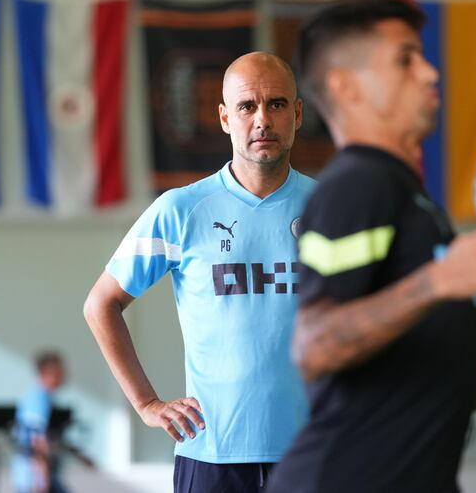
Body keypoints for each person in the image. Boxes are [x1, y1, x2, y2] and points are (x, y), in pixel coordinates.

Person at [267, 0, 476, 493]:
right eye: (406, 59)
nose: (430, 72)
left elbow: (440, 393)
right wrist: (436, 281)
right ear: (347, 89)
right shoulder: (357, 186)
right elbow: (313, 346)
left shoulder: (409, 197)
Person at [83, 52, 316, 493]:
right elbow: (101, 304)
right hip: (211, 456)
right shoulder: (181, 209)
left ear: (298, 113)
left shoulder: (335, 208)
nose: (263, 119)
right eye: (247, 106)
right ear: (226, 118)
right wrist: (147, 403)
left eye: (278, 104)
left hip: (315, 454)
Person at [11, 351, 68, 493]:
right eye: (59, 371)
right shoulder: (38, 400)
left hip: (38, 478)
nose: (64, 375)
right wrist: (42, 481)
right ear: (47, 373)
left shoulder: (42, 397)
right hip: (34, 480)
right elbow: (36, 440)